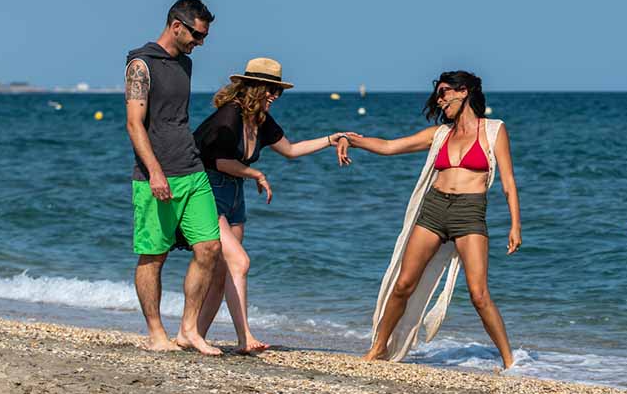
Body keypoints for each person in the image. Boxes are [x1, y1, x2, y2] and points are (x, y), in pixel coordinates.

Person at [340, 71, 521, 368]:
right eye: (438, 95)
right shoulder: (440, 135)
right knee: (403, 285)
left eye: (444, 92)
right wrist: (351, 139)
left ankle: (511, 362)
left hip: (470, 213)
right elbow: (389, 146)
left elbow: (508, 182)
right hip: (434, 210)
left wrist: (515, 224)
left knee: (479, 294)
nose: (440, 100)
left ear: (464, 92)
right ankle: (378, 349)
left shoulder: (494, 130)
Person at [188, 57, 351, 353]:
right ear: (253, 87)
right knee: (240, 261)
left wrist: (331, 139)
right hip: (208, 191)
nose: (275, 96)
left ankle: (196, 335)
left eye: (279, 91)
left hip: (235, 195)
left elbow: (290, 150)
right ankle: (245, 337)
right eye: (270, 89)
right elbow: (216, 159)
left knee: (223, 271)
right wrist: (256, 173)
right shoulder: (229, 117)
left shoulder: (260, 120)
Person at [124, 0, 223, 356]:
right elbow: (135, 124)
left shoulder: (186, 65)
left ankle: (189, 330)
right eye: (197, 34)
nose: (201, 42)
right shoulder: (141, 64)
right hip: (156, 174)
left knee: (210, 248)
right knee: (154, 255)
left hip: (191, 169)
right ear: (176, 25)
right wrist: (154, 173)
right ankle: (156, 333)